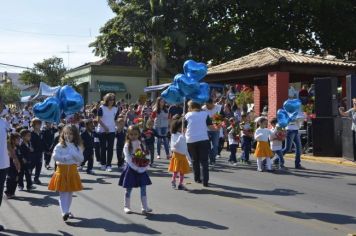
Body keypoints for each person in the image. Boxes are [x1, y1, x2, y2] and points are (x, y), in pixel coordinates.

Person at [48, 125, 84, 221]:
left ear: (75, 135)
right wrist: (66, 157)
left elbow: (81, 159)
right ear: (63, 134)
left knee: (69, 193)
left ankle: (67, 211)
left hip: (72, 171)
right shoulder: (60, 145)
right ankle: (64, 212)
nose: (68, 136)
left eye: (71, 134)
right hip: (62, 171)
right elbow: (55, 157)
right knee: (63, 193)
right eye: (66, 133)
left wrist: (74, 154)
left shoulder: (77, 146)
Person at [118, 125, 152, 214]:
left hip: (141, 168)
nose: (133, 136)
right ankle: (126, 206)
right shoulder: (127, 145)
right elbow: (128, 158)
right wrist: (136, 168)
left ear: (139, 134)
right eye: (131, 134)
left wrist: (144, 166)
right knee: (129, 188)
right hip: (131, 169)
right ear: (128, 135)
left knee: (143, 187)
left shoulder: (140, 143)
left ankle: (144, 207)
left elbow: (144, 154)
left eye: (135, 134)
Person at [185, 101, 215, 187]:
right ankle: (205, 181)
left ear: (191, 107)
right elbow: (211, 127)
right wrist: (217, 127)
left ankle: (197, 178)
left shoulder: (187, 115)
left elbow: (183, 128)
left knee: (195, 160)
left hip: (191, 140)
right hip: (203, 139)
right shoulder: (205, 114)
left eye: (188, 107)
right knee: (204, 161)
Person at [97, 93, 120, 172]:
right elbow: (98, 120)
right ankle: (103, 164)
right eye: (110, 99)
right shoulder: (101, 108)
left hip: (112, 131)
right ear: (106, 100)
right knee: (103, 148)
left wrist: (119, 126)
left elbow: (115, 119)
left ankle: (108, 165)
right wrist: (105, 127)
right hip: (102, 131)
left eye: (113, 99)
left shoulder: (115, 108)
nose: (112, 101)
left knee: (110, 148)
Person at [168, 116, 190, 190]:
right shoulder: (174, 135)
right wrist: (179, 139)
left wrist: (189, 157)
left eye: (184, 127)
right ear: (177, 127)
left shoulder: (183, 136)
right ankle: (173, 181)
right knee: (176, 170)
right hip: (177, 155)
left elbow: (185, 147)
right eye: (181, 127)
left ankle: (180, 184)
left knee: (182, 171)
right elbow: (174, 146)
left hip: (183, 156)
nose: (183, 129)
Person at [202, 98, 223, 166]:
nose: (207, 107)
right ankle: (210, 159)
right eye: (206, 105)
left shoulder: (218, 108)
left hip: (215, 130)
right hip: (206, 130)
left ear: (212, 103)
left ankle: (212, 158)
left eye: (208, 105)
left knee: (215, 146)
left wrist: (217, 127)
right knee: (207, 145)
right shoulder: (203, 108)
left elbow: (218, 121)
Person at [0, 96, 9, 231]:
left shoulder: (3, 122)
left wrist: (15, 158)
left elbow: (7, 143)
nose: (2, 106)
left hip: (3, 165)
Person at [4, 133, 21, 198]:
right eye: (18, 139)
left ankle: (12, 192)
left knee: (16, 178)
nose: (19, 140)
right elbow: (11, 155)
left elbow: (20, 155)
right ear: (13, 140)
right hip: (10, 165)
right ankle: (8, 192)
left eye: (20, 139)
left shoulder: (18, 146)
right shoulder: (8, 146)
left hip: (17, 165)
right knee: (10, 178)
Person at [30, 118, 44, 184]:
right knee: (31, 166)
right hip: (32, 153)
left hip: (40, 152)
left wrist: (48, 150)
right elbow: (29, 143)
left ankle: (36, 178)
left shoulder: (41, 133)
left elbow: (43, 142)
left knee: (39, 166)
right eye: (38, 124)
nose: (40, 125)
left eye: (40, 124)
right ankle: (28, 178)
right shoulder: (30, 133)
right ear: (34, 125)